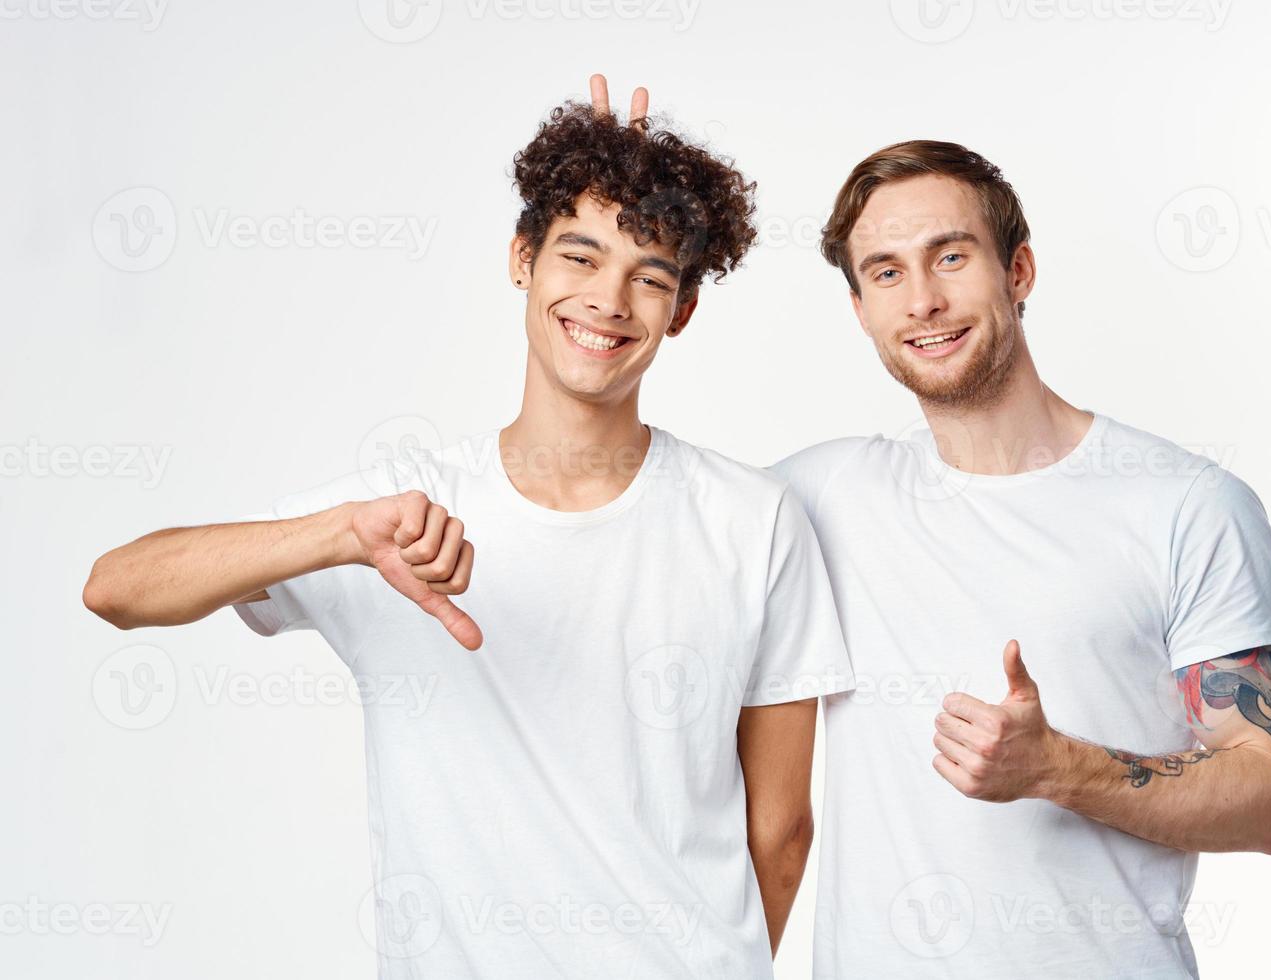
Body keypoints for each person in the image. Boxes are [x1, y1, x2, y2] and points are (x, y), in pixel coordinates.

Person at [82, 77, 853, 979]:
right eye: (579, 255)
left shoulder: (755, 521)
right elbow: (116, 589)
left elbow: (785, 829)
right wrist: (335, 536)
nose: (609, 300)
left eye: (650, 274)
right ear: (521, 257)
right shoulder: (392, 513)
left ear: (680, 310)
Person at [772, 141, 1271, 978]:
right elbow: (629, 521)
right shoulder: (821, 497)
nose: (923, 300)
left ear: (1018, 270)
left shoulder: (1186, 504)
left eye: (950, 257)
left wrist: (1061, 767)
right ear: (859, 310)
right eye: (885, 273)